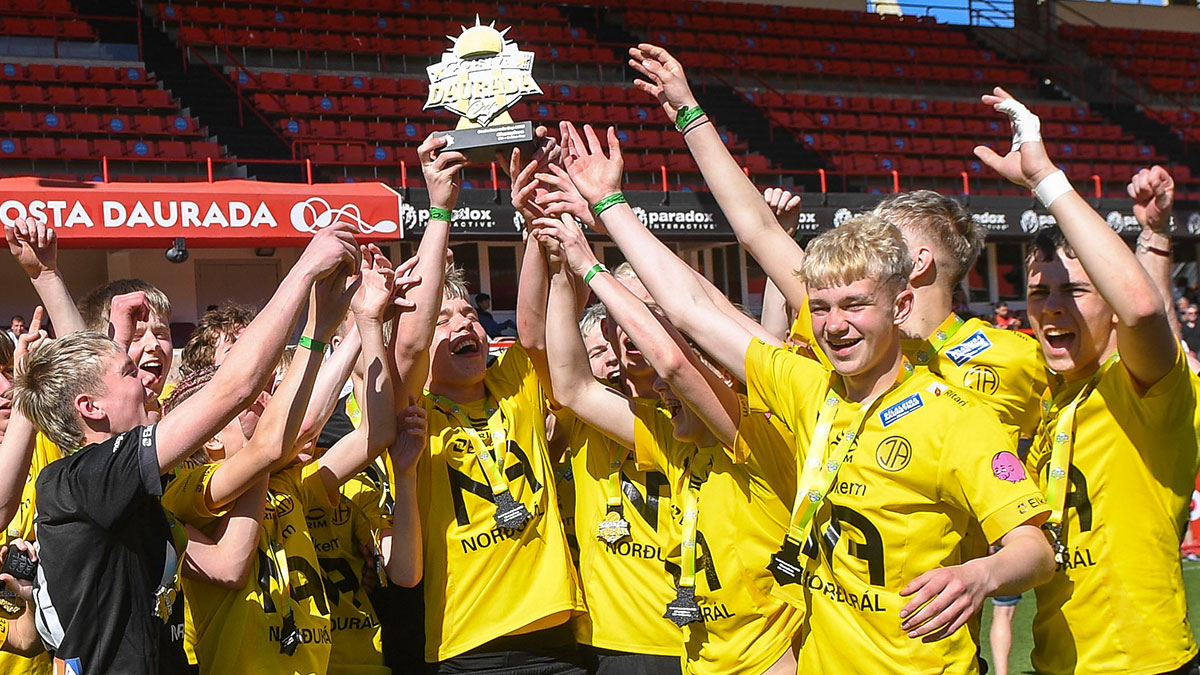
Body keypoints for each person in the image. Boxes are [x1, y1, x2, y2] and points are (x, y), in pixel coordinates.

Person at [550, 116, 1055, 673]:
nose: (835, 325)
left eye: (856, 305)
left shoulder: (956, 418)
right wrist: (610, 205)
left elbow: (1035, 550)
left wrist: (979, 574)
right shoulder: (805, 385)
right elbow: (693, 306)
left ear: (900, 308)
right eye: (823, 308)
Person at [8, 224, 359, 673]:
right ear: (90, 407)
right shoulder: (82, 478)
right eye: (130, 371)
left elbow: (87, 386)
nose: (150, 380)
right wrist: (305, 269)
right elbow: (234, 388)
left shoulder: (111, 482)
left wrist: (50, 280)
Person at [976, 87, 1200, 674]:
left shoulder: (1145, 388)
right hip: (1054, 661)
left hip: (1140, 665)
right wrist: (1152, 237)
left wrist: (1045, 177)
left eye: (1073, 291)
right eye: (1038, 293)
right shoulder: (1050, 396)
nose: (1051, 308)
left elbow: (1145, 311)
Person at [391, 133, 584, 672]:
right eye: (444, 319)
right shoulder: (413, 411)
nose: (464, 324)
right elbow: (408, 341)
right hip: (468, 647)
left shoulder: (515, 387)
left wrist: (531, 222)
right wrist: (438, 210)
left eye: (471, 313)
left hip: (559, 638)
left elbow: (533, 330)